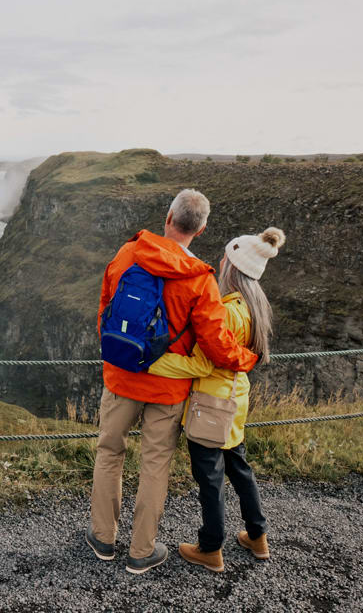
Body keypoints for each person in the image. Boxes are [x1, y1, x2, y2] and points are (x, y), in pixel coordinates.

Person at [87, 188, 259, 575]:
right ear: (200, 231)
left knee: (109, 452)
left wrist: (119, 355)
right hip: (167, 390)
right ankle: (141, 551)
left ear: (168, 217)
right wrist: (248, 359)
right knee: (155, 463)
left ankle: (102, 538)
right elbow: (217, 345)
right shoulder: (201, 280)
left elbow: (105, 308)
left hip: (122, 376)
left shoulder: (127, 254)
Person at [148, 226, 286, 572]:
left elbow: (203, 362)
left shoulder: (226, 311)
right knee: (239, 468)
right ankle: (258, 536)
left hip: (211, 405)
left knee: (210, 478)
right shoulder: (256, 306)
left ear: (232, 267)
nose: (220, 262)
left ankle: (211, 548)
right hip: (236, 402)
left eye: (225, 258)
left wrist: (155, 361)